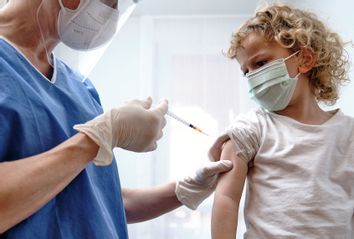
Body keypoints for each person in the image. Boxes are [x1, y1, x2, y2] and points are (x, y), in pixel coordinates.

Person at [0, 0, 233, 238]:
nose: (112, 12)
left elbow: (96, 200)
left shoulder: (79, 86)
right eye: (110, 1)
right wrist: (96, 139)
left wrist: (183, 190)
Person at [211, 3, 353, 239]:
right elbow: (226, 198)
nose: (253, 77)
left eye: (261, 63)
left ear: (305, 59)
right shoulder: (250, 129)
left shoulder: (349, 133)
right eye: (246, 72)